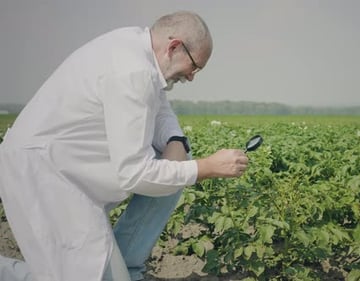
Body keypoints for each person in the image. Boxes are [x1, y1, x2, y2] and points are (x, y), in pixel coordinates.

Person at [0, 11, 249, 281]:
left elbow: (160, 107)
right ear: (174, 46)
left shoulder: (138, 50)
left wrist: (177, 142)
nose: (191, 77)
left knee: (174, 162)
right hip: (44, 178)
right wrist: (206, 167)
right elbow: (134, 174)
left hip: (65, 172)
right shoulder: (133, 72)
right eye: (195, 66)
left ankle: (128, 269)